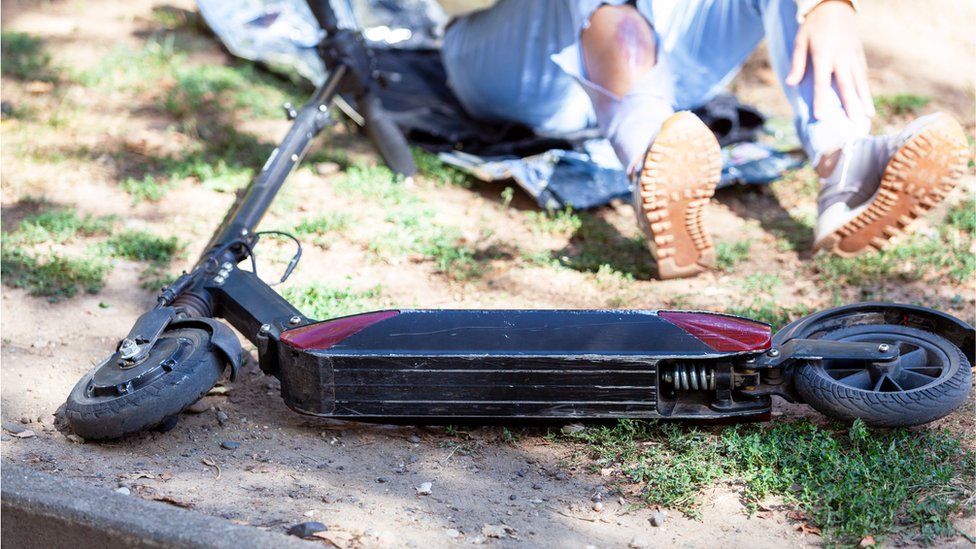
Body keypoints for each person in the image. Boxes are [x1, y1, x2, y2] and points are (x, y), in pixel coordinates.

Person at [438, 0, 968, 279]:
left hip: (663, 59)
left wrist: (829, 1)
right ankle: (652, 161)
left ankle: (845, 165)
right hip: (518, 67)